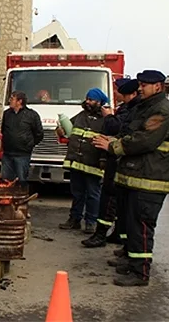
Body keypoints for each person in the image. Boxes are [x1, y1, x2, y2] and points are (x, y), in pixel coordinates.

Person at [94, 70, 169, 286]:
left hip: (150, 179)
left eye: (144, 85)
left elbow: (144, 141)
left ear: (158, 86)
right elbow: (131, 133)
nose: (139, 88)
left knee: (141, 225)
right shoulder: (147, 107)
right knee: (131, 224)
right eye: (140, 84)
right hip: (137, 177)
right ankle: (133, 262)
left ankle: (140, 273)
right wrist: (114, 139)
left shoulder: (162, 111)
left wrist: (112, 146)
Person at [82, 78, 140, 248]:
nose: (114, 93)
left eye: (118, 91)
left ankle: (100, 234)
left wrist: (109, 118)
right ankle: (118, 235)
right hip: (116, 158)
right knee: (116, 199)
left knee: (108, 198)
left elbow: (120, 131)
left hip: (120, 160)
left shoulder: (131, 110)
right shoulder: (127, 109)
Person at [58, 88, 109, 234]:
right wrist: (60, 130)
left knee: (93, 194)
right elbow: (69, 129)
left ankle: (91, 222)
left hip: (93, 163)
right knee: (77, 193)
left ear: (99, 102)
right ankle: (74, 220)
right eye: (87, 99)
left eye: (91, 100)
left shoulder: (105, 120)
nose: (87, 102)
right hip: (76, 162)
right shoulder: (81, 115)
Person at [0, 91, 43, 187]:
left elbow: (39, 134)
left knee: (21, 180)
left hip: (22, 154)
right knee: (6, 181)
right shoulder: (7, 114)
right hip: (8, 153)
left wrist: (29, 144)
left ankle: (20, 198)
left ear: (19, 101)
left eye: (12, 99)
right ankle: (7, 199)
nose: (10, 101)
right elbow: (3, 130)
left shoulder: (32, 115)